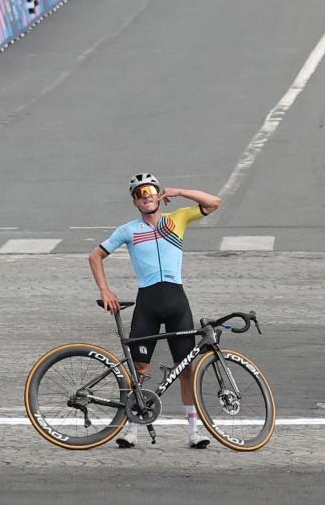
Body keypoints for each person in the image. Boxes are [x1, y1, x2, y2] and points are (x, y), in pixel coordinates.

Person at [88, 173, 221, 449]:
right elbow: (95, 256)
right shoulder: (128, 230)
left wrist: (181, 191)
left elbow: (214, 202)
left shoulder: (178, 219)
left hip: (176, 302)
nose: (146, 195)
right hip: (147, 302)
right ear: (135, 202)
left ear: (159, 194)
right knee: (140, 370)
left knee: (186, 369)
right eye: (139, 193)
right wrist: (105, 290)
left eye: (150, 190)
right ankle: (132, 429)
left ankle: (194, 432)